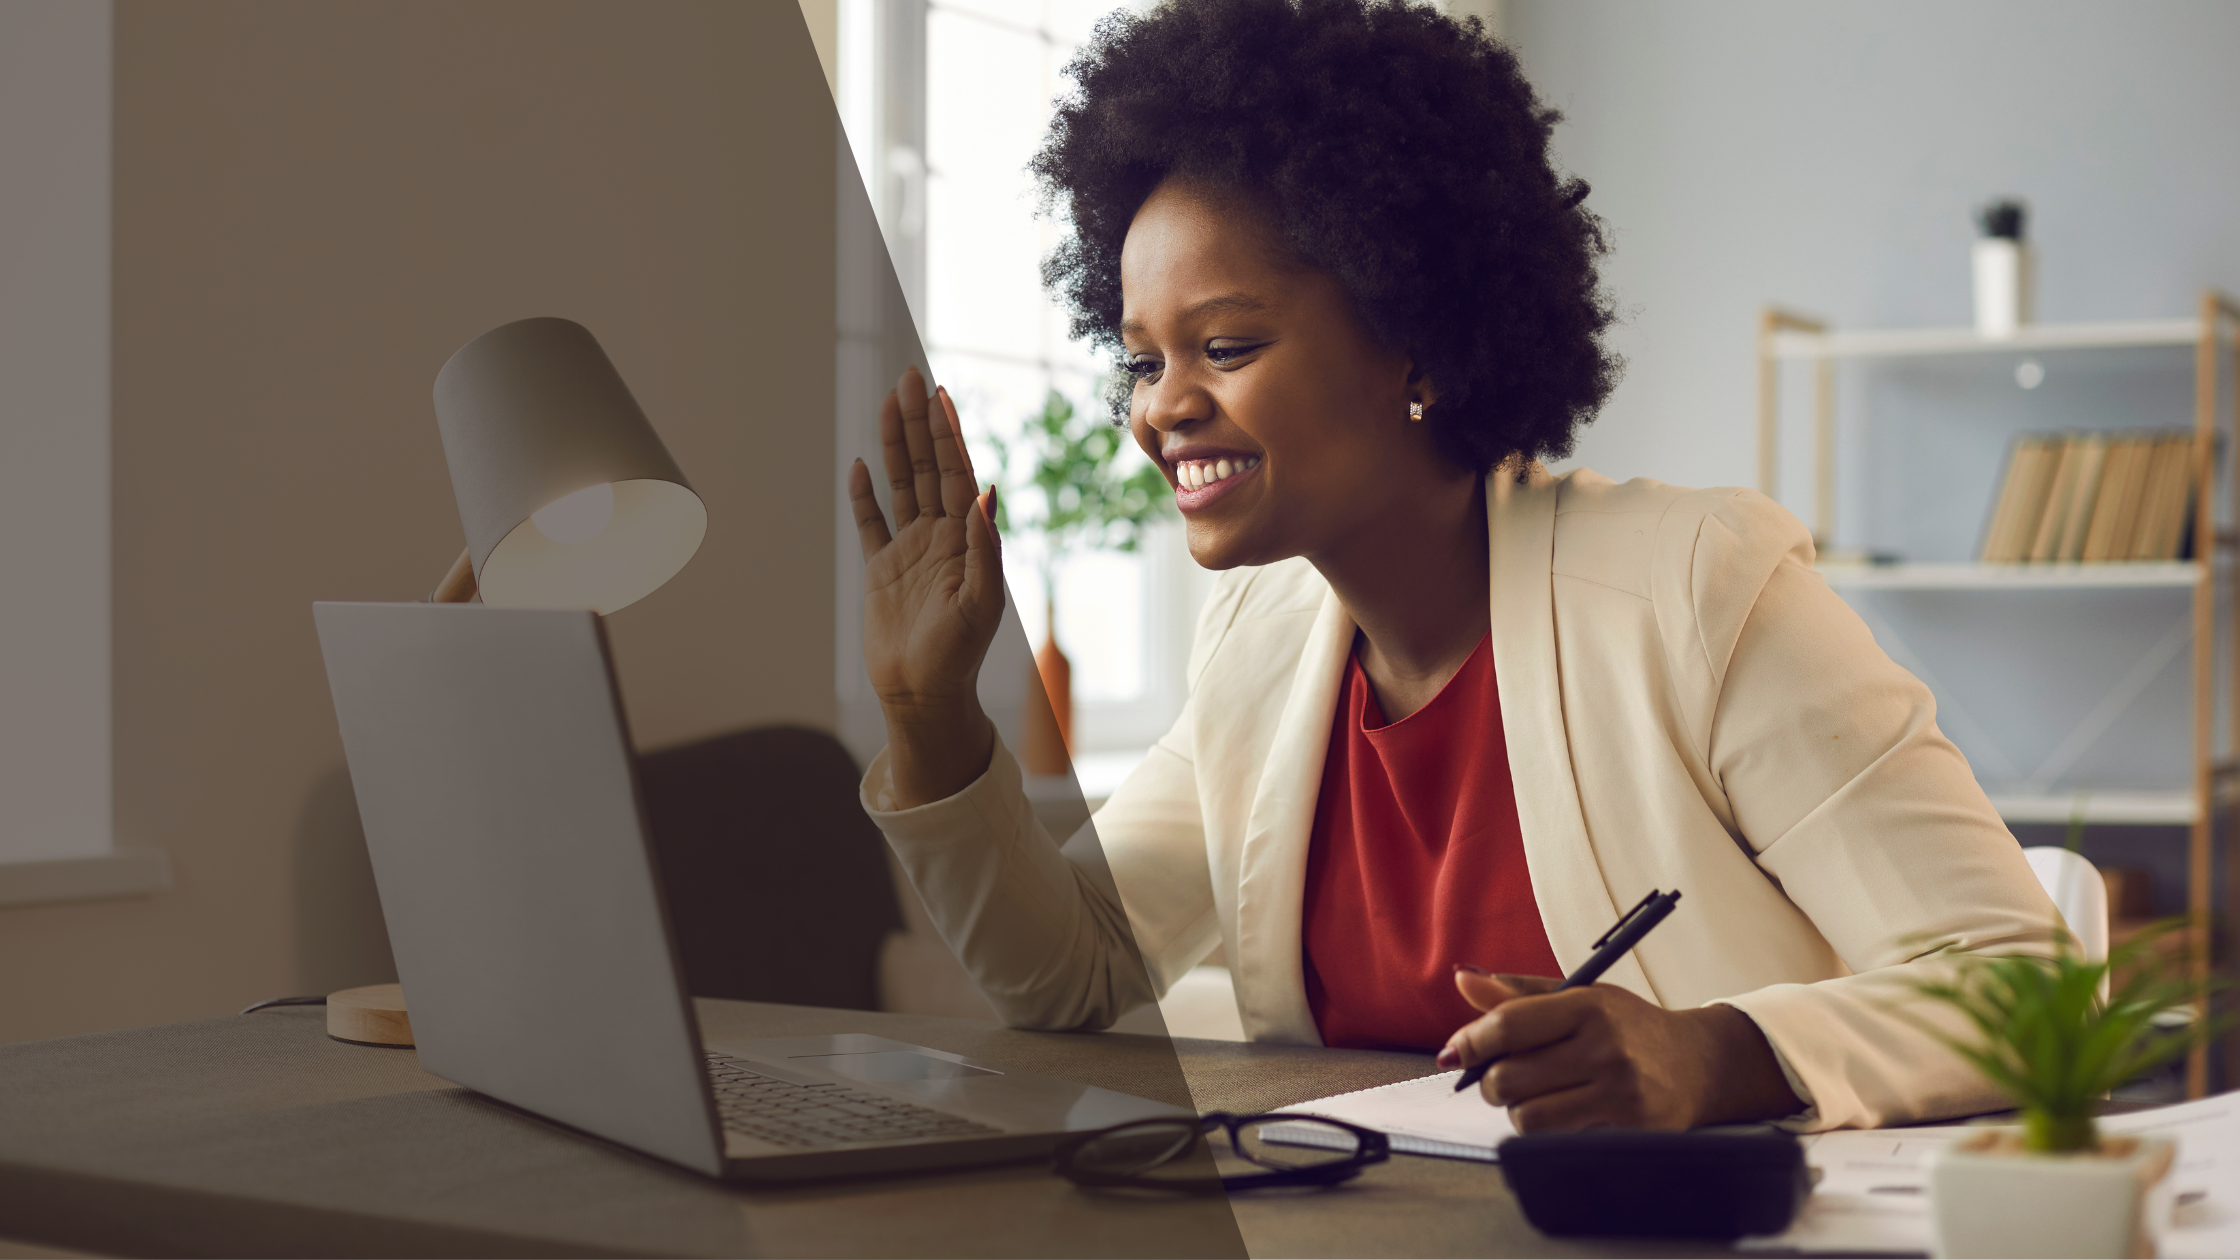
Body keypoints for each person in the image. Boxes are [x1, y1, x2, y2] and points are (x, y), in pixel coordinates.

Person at [847, 0, 2054, 1133]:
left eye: (1223, 345)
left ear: (1415, 342)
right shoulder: (1258, 642)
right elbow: (1074, 973)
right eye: (1141, 362)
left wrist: (1711, 1054)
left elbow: (2025, 984)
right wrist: (927, 714)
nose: (1165, 408)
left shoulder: (1692, 587)